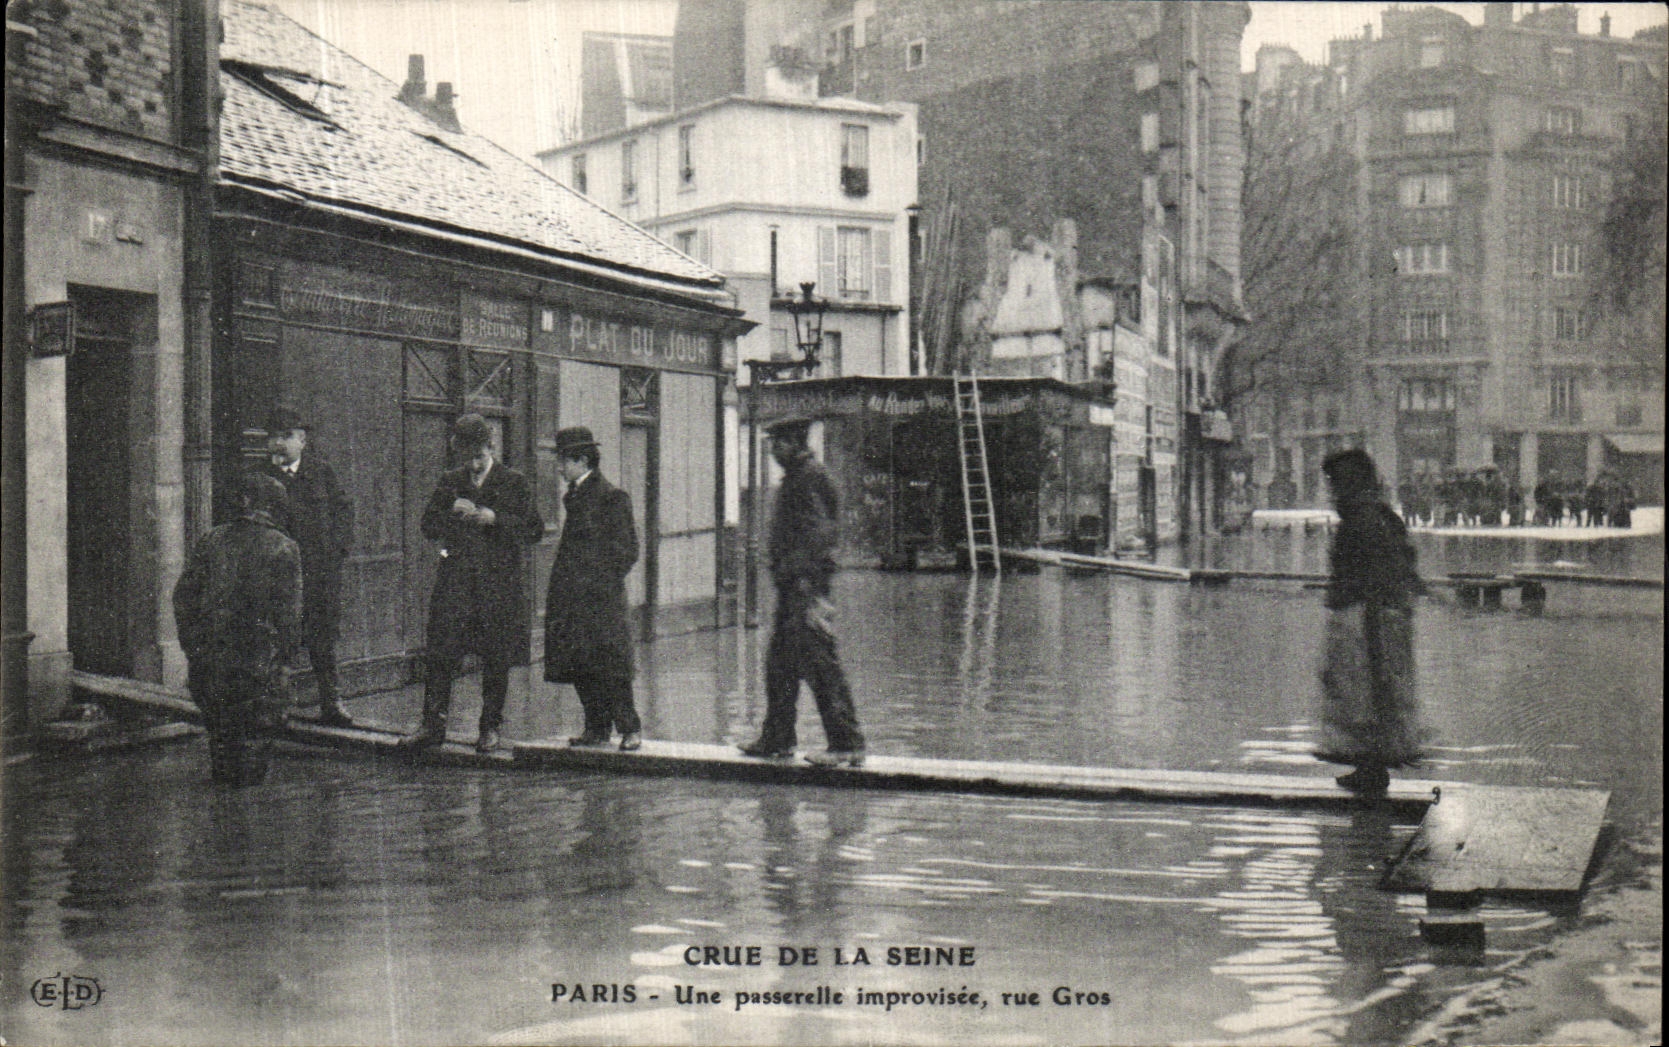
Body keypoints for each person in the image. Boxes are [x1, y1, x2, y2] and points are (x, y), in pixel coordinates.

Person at [398, 414, 543, 753]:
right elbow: (427, 526)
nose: (474, 465)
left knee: (496, 657)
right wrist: (451, 510)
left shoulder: (513, 481)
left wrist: (496, 519)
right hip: (455, 586)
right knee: (441, 655)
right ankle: (432, 725)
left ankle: (489, 727)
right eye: (468, 458)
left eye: (480, 456)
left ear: (491, 448)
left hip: (497, 588)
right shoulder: (450, 481)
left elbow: (534, 529)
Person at [741, 416, 866, 767]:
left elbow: (817, 534)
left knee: (821, 666)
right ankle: (777, 738)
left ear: (793, 444)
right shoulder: (801, 477)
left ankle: (847, 744)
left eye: (777, 445)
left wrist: (804, 583)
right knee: (779, 666)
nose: (773, 451)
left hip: (804, 589)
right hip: (794, 588)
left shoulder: (809, 478)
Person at [173, 472, 303, 787]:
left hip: (212, 660)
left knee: (220, 741)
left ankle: (224, 820)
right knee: (252, 752)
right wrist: (285, 661)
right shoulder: (284, 547)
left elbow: (183, 598)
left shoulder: (211, 540)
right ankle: (242, 822)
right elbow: (290, 614)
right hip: (258, 664)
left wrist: (194, 648)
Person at [1315, 448, 1427, 798]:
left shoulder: (1362, 518)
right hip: (1375, 615)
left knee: (1365, 693)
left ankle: (1371, 768)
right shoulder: (1379, 515)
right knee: (1366, 693)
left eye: (1336, 482)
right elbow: (1404, 562)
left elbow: (1372, 570)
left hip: (1367, 619)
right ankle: (1370, 765)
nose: (1332, 491)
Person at [543, 426, 643, 752]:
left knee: (612, 667)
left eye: (563, 461)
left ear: (583, 460)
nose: (559, 467)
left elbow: (627, 550)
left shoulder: (612, 497)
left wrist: (596, 582)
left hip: (601, 601)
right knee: (581, 664)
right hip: (575, 600)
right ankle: (596, 729)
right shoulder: (575, 494)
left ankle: (630, 729)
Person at [262, 405, 355, 727]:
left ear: (302, 440)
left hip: (319, 574)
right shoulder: (260, 478)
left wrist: (337, 550)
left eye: (286, 436)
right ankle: (277, 707)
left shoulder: (321, 472)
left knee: (323, 639)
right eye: (273, 437)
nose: (279, 444)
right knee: (279, 640)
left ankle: (332, 702)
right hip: (278, 576)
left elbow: (344, 510)